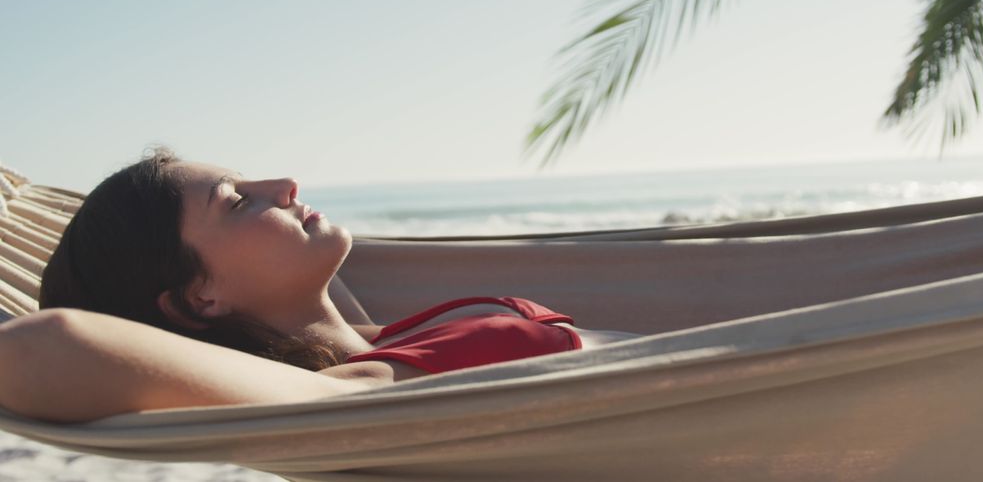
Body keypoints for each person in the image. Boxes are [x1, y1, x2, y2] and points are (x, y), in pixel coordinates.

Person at [0, 147, 641, 424]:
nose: (283, 186)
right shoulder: (341, 397)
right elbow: (38, 349)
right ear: (200, 297)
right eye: (236, 202)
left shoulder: (376, 343)